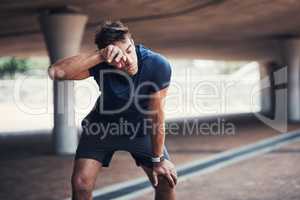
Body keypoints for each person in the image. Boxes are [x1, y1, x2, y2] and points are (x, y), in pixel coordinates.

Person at [48, 20, 177, 200]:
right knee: (81, 184)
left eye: (129, 51)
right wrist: (100, 56)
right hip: (102, 128)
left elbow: (156, 116)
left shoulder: (157, 64)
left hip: (140, 130)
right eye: (118, 58)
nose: (127, 60)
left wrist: (158, 160)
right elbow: (57, 72)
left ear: (132, 41)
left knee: (165, 180)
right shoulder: (101, 62)